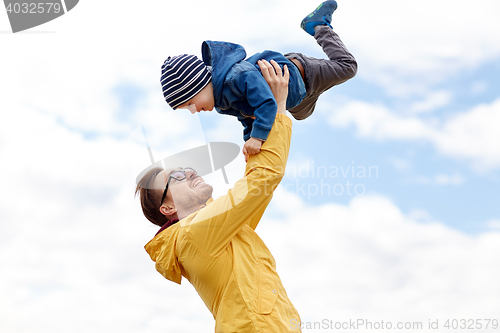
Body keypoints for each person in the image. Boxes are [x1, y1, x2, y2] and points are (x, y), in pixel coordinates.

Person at [136, 60, 302, 332]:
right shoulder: (193, 233)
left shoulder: (222, 230)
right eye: (176, 177)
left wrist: (257, 123)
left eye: (185, 169)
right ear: (167, 208)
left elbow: (257, 185)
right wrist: (278, 109)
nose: (189, 173)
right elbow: (263, 179)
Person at [160, 0, 357, 158]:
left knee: (348, 67)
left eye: (189, 104)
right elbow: (246, 119)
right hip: (298, 97)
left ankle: (319, 25)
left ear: (199, 84)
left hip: (303, 73)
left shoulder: (237, 76)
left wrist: (257, 137)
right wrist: (250, 143)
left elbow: (266, 103)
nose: (193, 111)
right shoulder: (222, 104)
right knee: (302, 115)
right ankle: (320, 86)